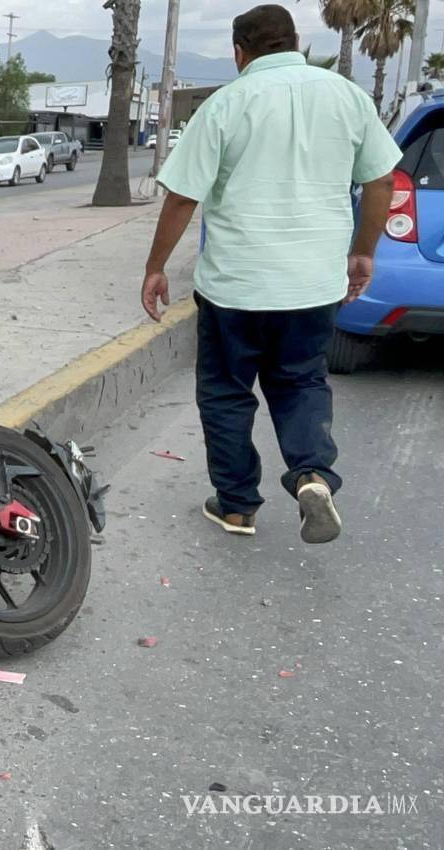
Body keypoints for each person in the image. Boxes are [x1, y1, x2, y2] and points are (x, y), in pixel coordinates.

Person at [139, 4, 401, 544]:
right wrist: (363, 253)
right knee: (301, 380)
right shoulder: (348, 97)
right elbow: (381, 182)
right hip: (313, 285)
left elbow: (183, 195)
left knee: (226, 392)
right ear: (295, 42)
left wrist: (156, 267)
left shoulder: (225, 103)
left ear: (239, 52)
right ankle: (311, 475)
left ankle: (237, 507)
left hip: (235, 287)